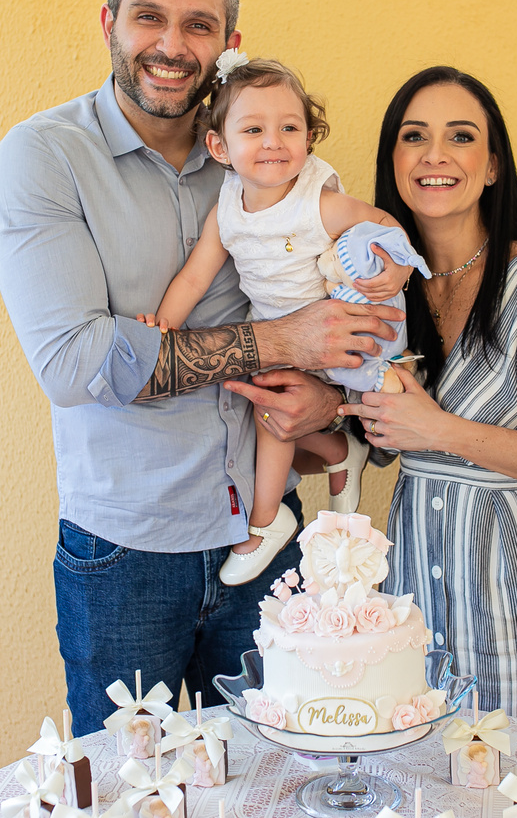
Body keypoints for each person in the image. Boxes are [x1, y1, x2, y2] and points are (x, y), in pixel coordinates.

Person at [0, 0, 401, 735]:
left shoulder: (264, 153)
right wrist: (283, 343)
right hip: (124, 558)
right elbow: (77, 364)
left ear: (229, 44)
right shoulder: (44, 158)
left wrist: (328, 396)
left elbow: (337, 303)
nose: (172, 45)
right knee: (131, 779)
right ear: (110, 23)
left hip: (267, 534)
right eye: (149, 17)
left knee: (281, 772)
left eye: (199, 25)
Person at [341, 66, 517, 741]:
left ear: (492, 166)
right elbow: (374, 440)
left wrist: (438, 428)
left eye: (460, 137)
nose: (435, 155)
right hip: (414, 620)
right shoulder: (379, 284)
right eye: (415, 137)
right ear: (393, 162)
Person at [142, 54, 429, 586]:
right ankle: (340, 451)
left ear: (309, 138)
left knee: (273, 414)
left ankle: (265, 522)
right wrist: (162, 328)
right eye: (254, 130)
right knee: (262, 412)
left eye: (289, 128)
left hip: (334, 335)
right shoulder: (228, 207)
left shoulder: (316, 203)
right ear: (220, 147)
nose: (273, 142)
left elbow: (383, 223)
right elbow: (195, 277)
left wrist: (397, 266)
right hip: (280, 339)